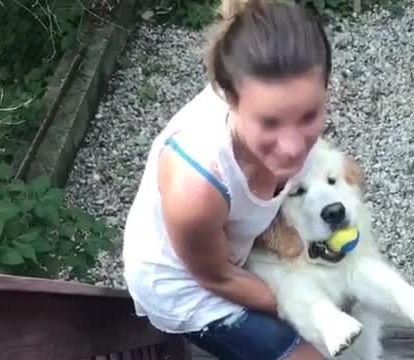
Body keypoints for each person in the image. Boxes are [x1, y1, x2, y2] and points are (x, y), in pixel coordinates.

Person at [122, 0, 332, 358]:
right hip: (186, 283)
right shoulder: (197, 183)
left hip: (229, 248)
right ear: (228, 97)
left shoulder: (267, 112)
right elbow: (216, 277)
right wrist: (308, 303)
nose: (294, 148)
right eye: (270, 123)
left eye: (309, 115)